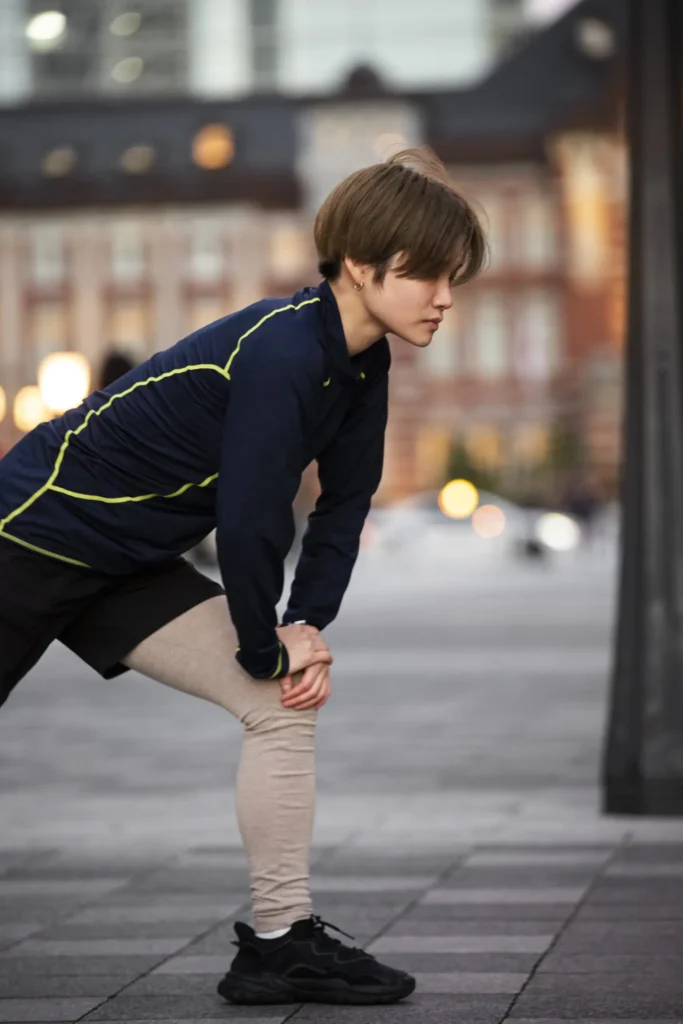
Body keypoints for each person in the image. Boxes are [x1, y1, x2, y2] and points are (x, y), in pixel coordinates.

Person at [0, 148, 485, 1006]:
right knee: (272, 674)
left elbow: (344, 503)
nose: (444, 297)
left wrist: (305, 629)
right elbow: (252, 518)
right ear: (361, 266)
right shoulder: (281, 349)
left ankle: (279, 944)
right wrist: (263, 642)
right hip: (29, 539)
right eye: (426, 275)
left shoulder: (362, 360)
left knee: (280, 703)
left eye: (454, 278)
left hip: (125, 565)